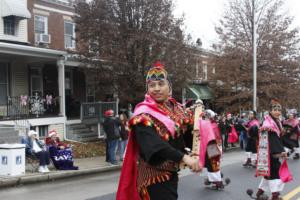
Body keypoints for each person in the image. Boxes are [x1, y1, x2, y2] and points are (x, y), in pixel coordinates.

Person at [116, 61, 202, 200]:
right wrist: (185, 158)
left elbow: (185, 135)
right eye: (152, 85)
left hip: (171, 173)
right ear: (147, 89)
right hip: (153, 177)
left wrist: (198, 146)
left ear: (169, 87)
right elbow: (155, 146)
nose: (156, 88)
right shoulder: (143, 115)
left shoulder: (175, 109)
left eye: (161, 84)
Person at [255, 99, 288, 200]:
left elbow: (278, 138)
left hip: (269, 153)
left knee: (268, 175)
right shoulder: (268, 124)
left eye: (279, 110)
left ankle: (259, 193)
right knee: (275, 174)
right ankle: (275, 196)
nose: (277, 112)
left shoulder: (276, 122)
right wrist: (280, 152)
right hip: (270, 153)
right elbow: (273, 140)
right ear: (270, 111)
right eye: (275, 110)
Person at [202, 109, 226, 189]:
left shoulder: (212, 125)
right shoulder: (211, 124)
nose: (204, 117)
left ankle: (218, 183)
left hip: (212, 147)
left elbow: (214, 138)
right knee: (210, 164)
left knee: (213, 165)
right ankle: (212, 179)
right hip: (210, 147)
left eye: (205, 116)